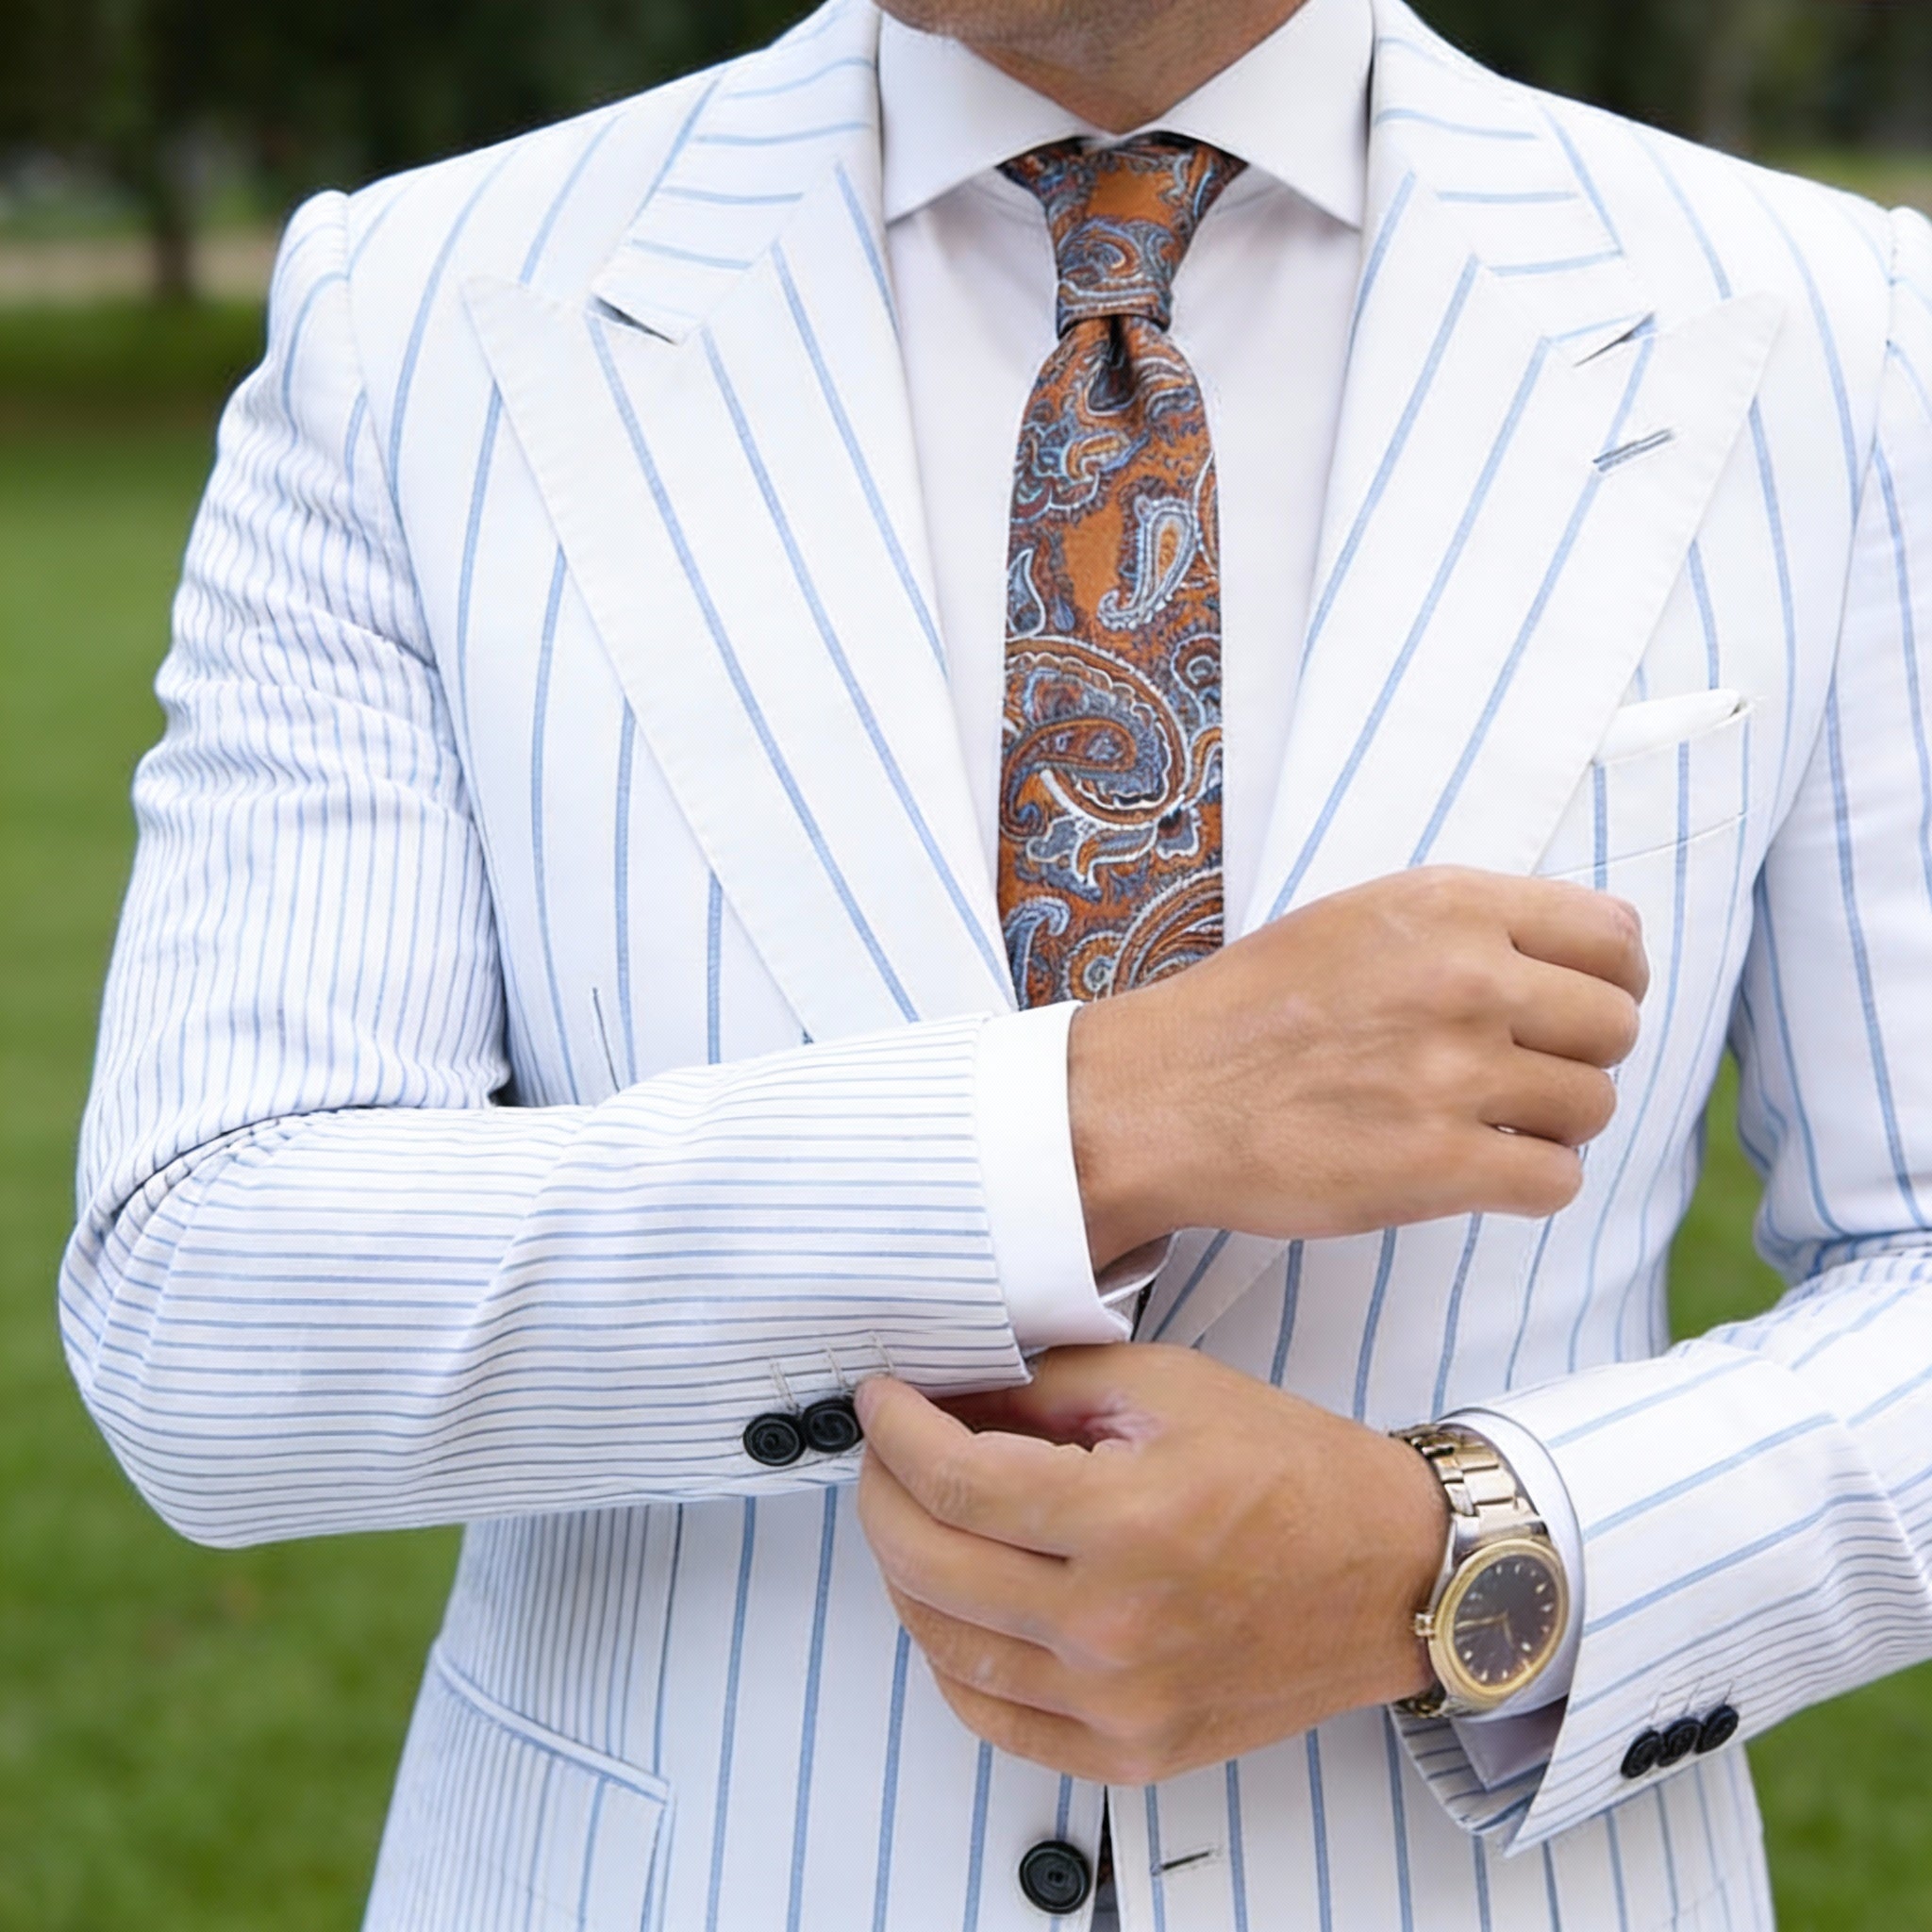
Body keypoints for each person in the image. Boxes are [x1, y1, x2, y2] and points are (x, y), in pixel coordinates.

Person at [57, 0, 1932, 1922]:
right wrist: (1094, 1120)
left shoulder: (1828, 329)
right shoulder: (423, 313)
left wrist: (1449, 1556)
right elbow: (204, 1305)